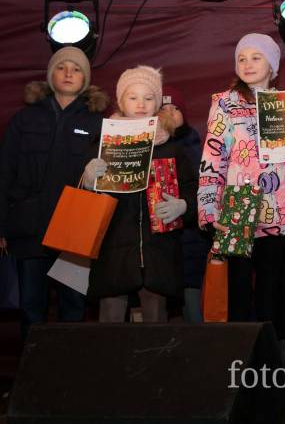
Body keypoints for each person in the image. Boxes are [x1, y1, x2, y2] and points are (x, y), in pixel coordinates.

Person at [198, 33, 285, 322]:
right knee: (238, 295)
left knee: (271, 296)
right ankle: (241, 351)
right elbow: (212, 157)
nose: (247, 64)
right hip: (238, 208)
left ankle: (268, 350)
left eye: (256, 57)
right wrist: (208, 209)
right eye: (241, 58)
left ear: (272, 66)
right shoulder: (225, 103)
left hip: (278, 210)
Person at [0, 47, 108, 338]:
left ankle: (69, 368)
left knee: (73, 309)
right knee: (30, 309)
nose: (68, 73)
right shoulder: (24, 119)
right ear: (50, 75)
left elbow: (109, 183)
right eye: (62, 67)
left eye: (76, 68)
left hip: (75, 232)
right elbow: (5, 173)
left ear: (85, 78)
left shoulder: (98, 122)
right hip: (29, 229)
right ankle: (31, 368)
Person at [82, 66, 197, 322]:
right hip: (113, 245)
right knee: (110, 314)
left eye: (148, 97)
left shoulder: (171, 148)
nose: (141, 104)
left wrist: (183, 205)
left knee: (155, 314)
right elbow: (79, 200)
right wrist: (87, 180)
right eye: (133, 97)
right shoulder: (102, 143)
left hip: (158, 248)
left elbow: (193, 190)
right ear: (121, 101)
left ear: (157, 103)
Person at [160, 86, 210, 323]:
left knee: (192, 296)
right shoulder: (149, 146)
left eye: (176, 108)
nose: (170, 113)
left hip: (191, 235)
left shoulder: (194, 145)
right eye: (163, 108)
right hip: (160, 238)